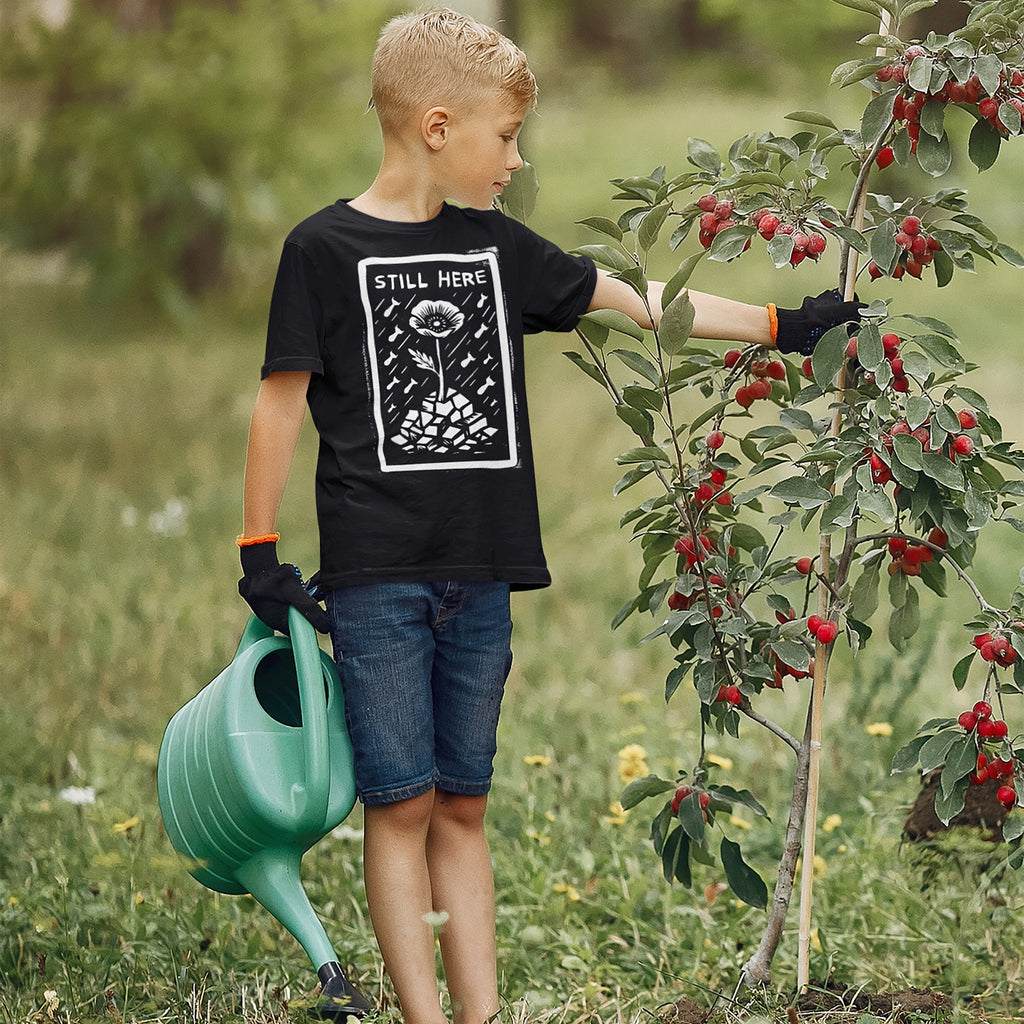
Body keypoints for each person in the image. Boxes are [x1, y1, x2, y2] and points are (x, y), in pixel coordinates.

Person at [235, 8, 861, 1023]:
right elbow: (278, 398)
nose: (516, 162)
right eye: (505, 137)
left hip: (482, 572)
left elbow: (642, 301)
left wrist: (785, 327)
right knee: (399, 806)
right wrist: (258, 550)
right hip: (374, 574)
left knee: (464, 802)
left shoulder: (498, 248)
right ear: (437, 128)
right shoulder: (322, 248)